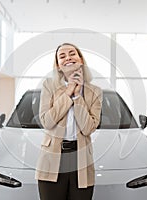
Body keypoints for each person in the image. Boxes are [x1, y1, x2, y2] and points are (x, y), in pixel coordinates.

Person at [35, 43, 103, 200]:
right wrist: (68, 92)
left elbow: (88, 128)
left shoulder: (95, 92)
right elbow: (47, 121)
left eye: (72, 54)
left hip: (81, 159)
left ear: (80, 59)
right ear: (58, 66)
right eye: (62, 56)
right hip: (52, 158)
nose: (68, 58)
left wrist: (78, 96)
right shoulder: (49, 86)